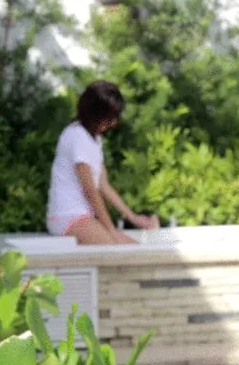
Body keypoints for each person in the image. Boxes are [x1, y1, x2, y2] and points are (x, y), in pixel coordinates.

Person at [46, 80, 160, 244]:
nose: (113, 123)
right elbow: (90, 190)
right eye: (109, 118)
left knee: (132, 248)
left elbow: (103, 185)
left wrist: (133, 218)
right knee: (118, 249)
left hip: (82, 216)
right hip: (66, 216)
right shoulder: (76, 136)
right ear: (94, 113)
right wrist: (111, 230)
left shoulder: (95, 139)